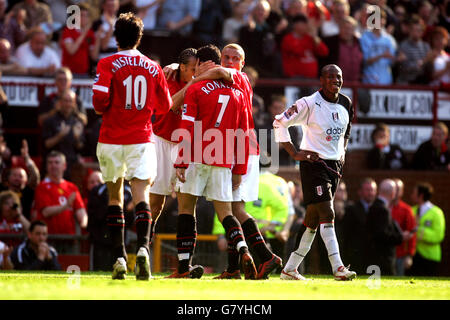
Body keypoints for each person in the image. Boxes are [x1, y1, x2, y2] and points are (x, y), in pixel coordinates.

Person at [92, 12, 172, 281]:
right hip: (141, 137)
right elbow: (165, 107)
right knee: (141, 195)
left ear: (116, 37)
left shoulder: (106, 63)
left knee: (114, 197)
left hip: (112, 139)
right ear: (140, 37)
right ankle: (143, 250)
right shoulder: (153, 66)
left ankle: (118, 257)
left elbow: (98, 103)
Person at [172, 44, 257, 280]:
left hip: (197, 156)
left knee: (187, 209)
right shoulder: (237, 92)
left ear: (200, 64)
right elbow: (242, 133)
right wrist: (238, 168)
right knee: (226, 214)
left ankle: (182, 268)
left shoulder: (196, 87)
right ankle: (243, 249)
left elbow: (187, 126)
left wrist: (180, 160)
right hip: (222, 159)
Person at [274, 64, 356, 281]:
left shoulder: (346, 103)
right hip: (314, 164)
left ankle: (289, 269)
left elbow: (347, 132)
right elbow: (279, 122)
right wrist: (294, 153)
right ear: (321, 80)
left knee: (312, 218)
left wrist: (343, 153)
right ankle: (338, 267)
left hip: (334, 166)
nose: (334, 81)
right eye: (329, 77)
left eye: (338, 77)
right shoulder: (309, 103)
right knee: (328, 213)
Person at [32, 151, 87, 246]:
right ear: (46, 166)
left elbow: (81, 212)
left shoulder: (72, 187)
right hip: (49, 240)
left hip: (70, 239)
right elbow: (46, 212)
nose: (53, 165)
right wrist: (66, 206)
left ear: (64, 166)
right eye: (50, 162)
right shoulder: (42, 187)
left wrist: (85, 223)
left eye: (56, 162)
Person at [87, 174, 133, 271]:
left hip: (121, 241)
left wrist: (128, 211)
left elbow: (131, 220)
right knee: (98, 271)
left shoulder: (129, 191)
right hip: (99, 240)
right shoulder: (98, 190)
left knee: (119, 270)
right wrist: (123, 208)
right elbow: (95, 215)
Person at [42, 89, 86, 180]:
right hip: (53, 166)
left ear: (74, 103)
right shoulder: (50, 120)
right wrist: (60, 136)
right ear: (60, 102)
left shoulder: (78, 122)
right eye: (65, 101)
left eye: (70, 101)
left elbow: (80, 147)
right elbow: (46, 144)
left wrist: (77, 137)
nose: (67, 104)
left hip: (72, 167)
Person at [365, 179, 404, 276]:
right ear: (393, 193)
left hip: (373, 256)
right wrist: (400, 237)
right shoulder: (383, 209)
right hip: (383, 259)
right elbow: (382, 234)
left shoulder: (374, 206)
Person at [408, 182, 446, 277]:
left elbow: (438, 235)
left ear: (421, 195)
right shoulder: (411, 210)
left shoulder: (436, 212)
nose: (411, 195)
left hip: (429, 257)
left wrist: (417, 231)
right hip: (413, 255)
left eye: (414, 193)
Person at [341, 177, 377, 275]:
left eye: (372, 190)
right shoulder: (351, 210)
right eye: (367, 190)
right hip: (356, 257)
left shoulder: (380, 210)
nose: (370, 193)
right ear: (360, 192)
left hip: (374, 258)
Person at [280, 13, 328, 79]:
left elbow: (324, 52)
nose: (306, 26)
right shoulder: (288, 38)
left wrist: (315, 38)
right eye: (303, 23)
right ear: (295, 25)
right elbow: (298, 51)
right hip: (294, 78)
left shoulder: (311, 38)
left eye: (305, 24)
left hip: (311, 78)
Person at [60, 2, 101, 76]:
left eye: (86, 16)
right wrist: (84, 33)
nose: (84, 18)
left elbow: (94, 56)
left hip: (84, 73)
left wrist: (98, 39)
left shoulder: (90, 33)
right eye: (81, 15)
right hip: (69, 73)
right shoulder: (68, 30)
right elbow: (71, 50)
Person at [359, 9, 397, 84]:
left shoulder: (389, 39)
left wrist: (398, 58)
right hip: (368, 80)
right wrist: (381, 55)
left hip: (386, 80)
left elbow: (392, 61)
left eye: (381, 19)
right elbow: (365, 61)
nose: (378, 22)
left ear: (384, 21)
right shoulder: (364, 37)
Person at [391, 178, 416, 276]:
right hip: (384, 255)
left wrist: (409, 256)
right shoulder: (384, 207)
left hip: (400, 255)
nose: (396, 191)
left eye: (398, 189)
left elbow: (412, 233)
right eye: (394, 188)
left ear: (402, 192)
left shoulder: (407, 210)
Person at [395, 15, 430, 84]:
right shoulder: (403, 46)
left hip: (421, 84)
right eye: (415, 30)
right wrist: (422, 62)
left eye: (419, 30)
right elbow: (403, 67)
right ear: (410, 31)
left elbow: (428, 68)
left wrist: (430, 61)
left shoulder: (426, 46)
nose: (417, 32)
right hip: (406, 83)